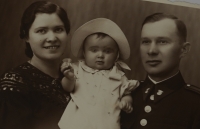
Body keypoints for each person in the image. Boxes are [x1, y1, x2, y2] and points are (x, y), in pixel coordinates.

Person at [121, 13, 200, 129]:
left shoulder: (195, 104)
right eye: (146, 42)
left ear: (184, 50)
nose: (151, 50)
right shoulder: (125, 93)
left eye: (162, 42)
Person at [0, 1, 71, 129]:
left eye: (58, 29)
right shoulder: (15, 83)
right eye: (41, 31)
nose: (52, 38)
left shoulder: (78, 74)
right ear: (26, 36)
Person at [58, 18, 139, 129]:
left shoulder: (118, 76)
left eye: (107, 51)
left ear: (116, 56)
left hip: (106, 124)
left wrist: (126, 101)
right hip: (77, 123)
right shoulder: (77, 69)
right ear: (84, 53)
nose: (100, 55)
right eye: (94, 50)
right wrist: (69, 78)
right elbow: (67, 88)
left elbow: (126, 93)